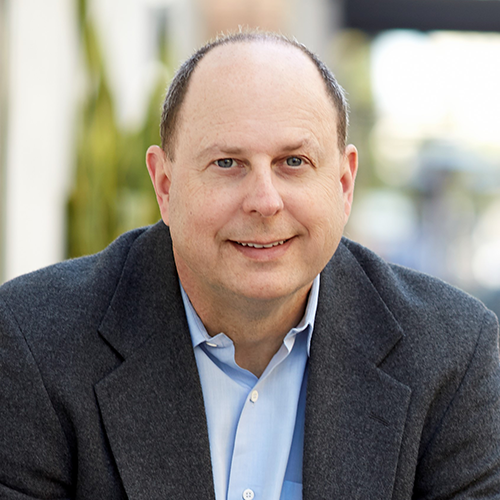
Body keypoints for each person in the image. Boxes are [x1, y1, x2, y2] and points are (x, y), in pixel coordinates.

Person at [1, 31, 499, 500]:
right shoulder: (35, 343)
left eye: (294, 162)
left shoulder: (453, 357)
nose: (264, 201)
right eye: (227, 163)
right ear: (165, 187)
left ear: (344, 185)